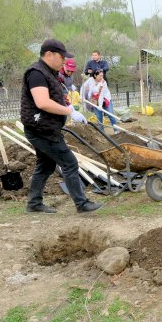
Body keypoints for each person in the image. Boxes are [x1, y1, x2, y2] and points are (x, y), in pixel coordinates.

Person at [21, 39, 102, 214]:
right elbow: (42, 102)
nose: (64, 61)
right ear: (48, 54)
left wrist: (69, 107)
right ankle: (82, 204)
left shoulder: (48, 73)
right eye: (61, 57)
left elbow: (52, 97)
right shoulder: (36, 74)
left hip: (46, 127)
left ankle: (34, 204)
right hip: (41, 130)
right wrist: (68, 112)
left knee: (46, 165)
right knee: (70, 163)